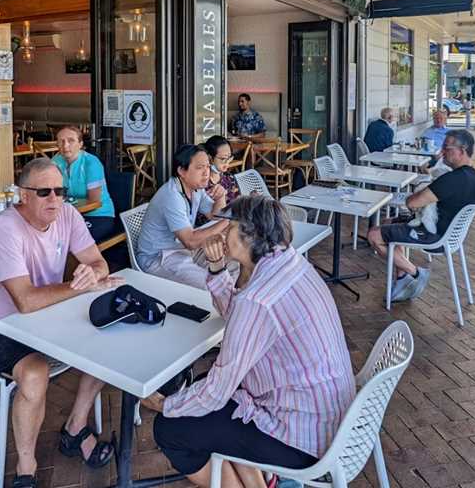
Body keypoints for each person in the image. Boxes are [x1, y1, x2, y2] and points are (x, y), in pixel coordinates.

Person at [143, 195, 356, 488]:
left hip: (302, 441)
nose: (220, 233)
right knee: (204, 391)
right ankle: (260, 481)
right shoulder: (289, 262)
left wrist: (165, 404)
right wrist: (218, 268)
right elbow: (239, 318)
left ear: (250, 234)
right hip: (328, 417)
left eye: (227, 226)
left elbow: (217, 392)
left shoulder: (258, 300)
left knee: (170, 428)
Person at [0, 158, 122, 488]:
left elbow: (98, 261)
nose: (55, 199)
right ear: (23, 195)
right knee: (35, 374)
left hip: (46, 320)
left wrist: (92, 272)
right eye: (44, 192)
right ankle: (26, 467)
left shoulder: (67, 214)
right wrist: (79, 286)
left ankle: (76, 428)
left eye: (60, 191)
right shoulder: (4, 228)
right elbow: (26, 300)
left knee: (108, 341)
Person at [367, 129, 475, 303]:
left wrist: (420, 191)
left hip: (434, 235)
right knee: (388, 222)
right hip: (449, 233)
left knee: (374, 235)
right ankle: (402, 278)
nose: (442, 152)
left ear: (462, 150)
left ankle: (415, 272)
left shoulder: (452, 179)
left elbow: (412, 203)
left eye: (447, 148)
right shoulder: (472, 176)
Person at [135, 144, 230, 288]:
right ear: (181, 171)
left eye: (208, 166)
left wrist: (220, 197)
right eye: (199, 168)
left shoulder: (196, 188)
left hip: (181, 250)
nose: (206, 172)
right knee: (211, 285)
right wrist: (228, 221)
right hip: (159, 257)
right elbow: (190, 241)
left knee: (233, 261)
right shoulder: (171, 195)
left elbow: (214, 215)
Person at [52, 125, 116, 241]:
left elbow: (94, 202)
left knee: (69, 240)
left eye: (71, 140)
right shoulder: (56, 161)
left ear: (80, 144)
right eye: (61, 141)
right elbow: (50, 189)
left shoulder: (91, 163)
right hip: (69, 215)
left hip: (98, 216)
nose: (65, 145)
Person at [195, 135, 239, 228]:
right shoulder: (201, 183)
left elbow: (235, 204)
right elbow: (201, 218)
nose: (227, 163)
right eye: (223, 159)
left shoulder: (229, 179)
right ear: (210, 159)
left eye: (229, 158)